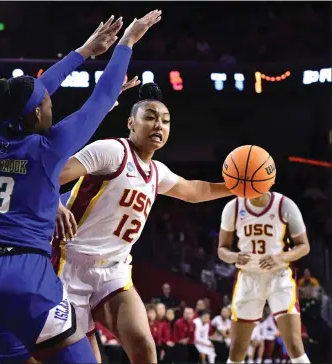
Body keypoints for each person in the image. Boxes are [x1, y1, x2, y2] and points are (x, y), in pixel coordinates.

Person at [0, 10, 161, 363]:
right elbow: (99, 97)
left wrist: (82, 52)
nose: (51, 102)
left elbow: (29, 92)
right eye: (48, 102)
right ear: (36, 114)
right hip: (25, 279)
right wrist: (125, 44)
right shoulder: (48, 149)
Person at [52, 81, 233, 363]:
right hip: (68, 265)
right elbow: (51, 174)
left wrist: (238, 187)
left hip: (113, 270)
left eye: (165, 120)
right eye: (150, 117)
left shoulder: (157, 171)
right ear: (131, 123)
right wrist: (54, 205)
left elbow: (196, 191)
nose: (158, 125)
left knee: (144, 349)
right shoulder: (111, 151)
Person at [218, 191, 311, 364]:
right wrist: (234, 257)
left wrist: (280, 258)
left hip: (280, 275)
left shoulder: (285, 204)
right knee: (237, 350)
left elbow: (304, 246)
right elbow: (222, 249)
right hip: (248, 277)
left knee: (295, 347)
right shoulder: (233, 207)